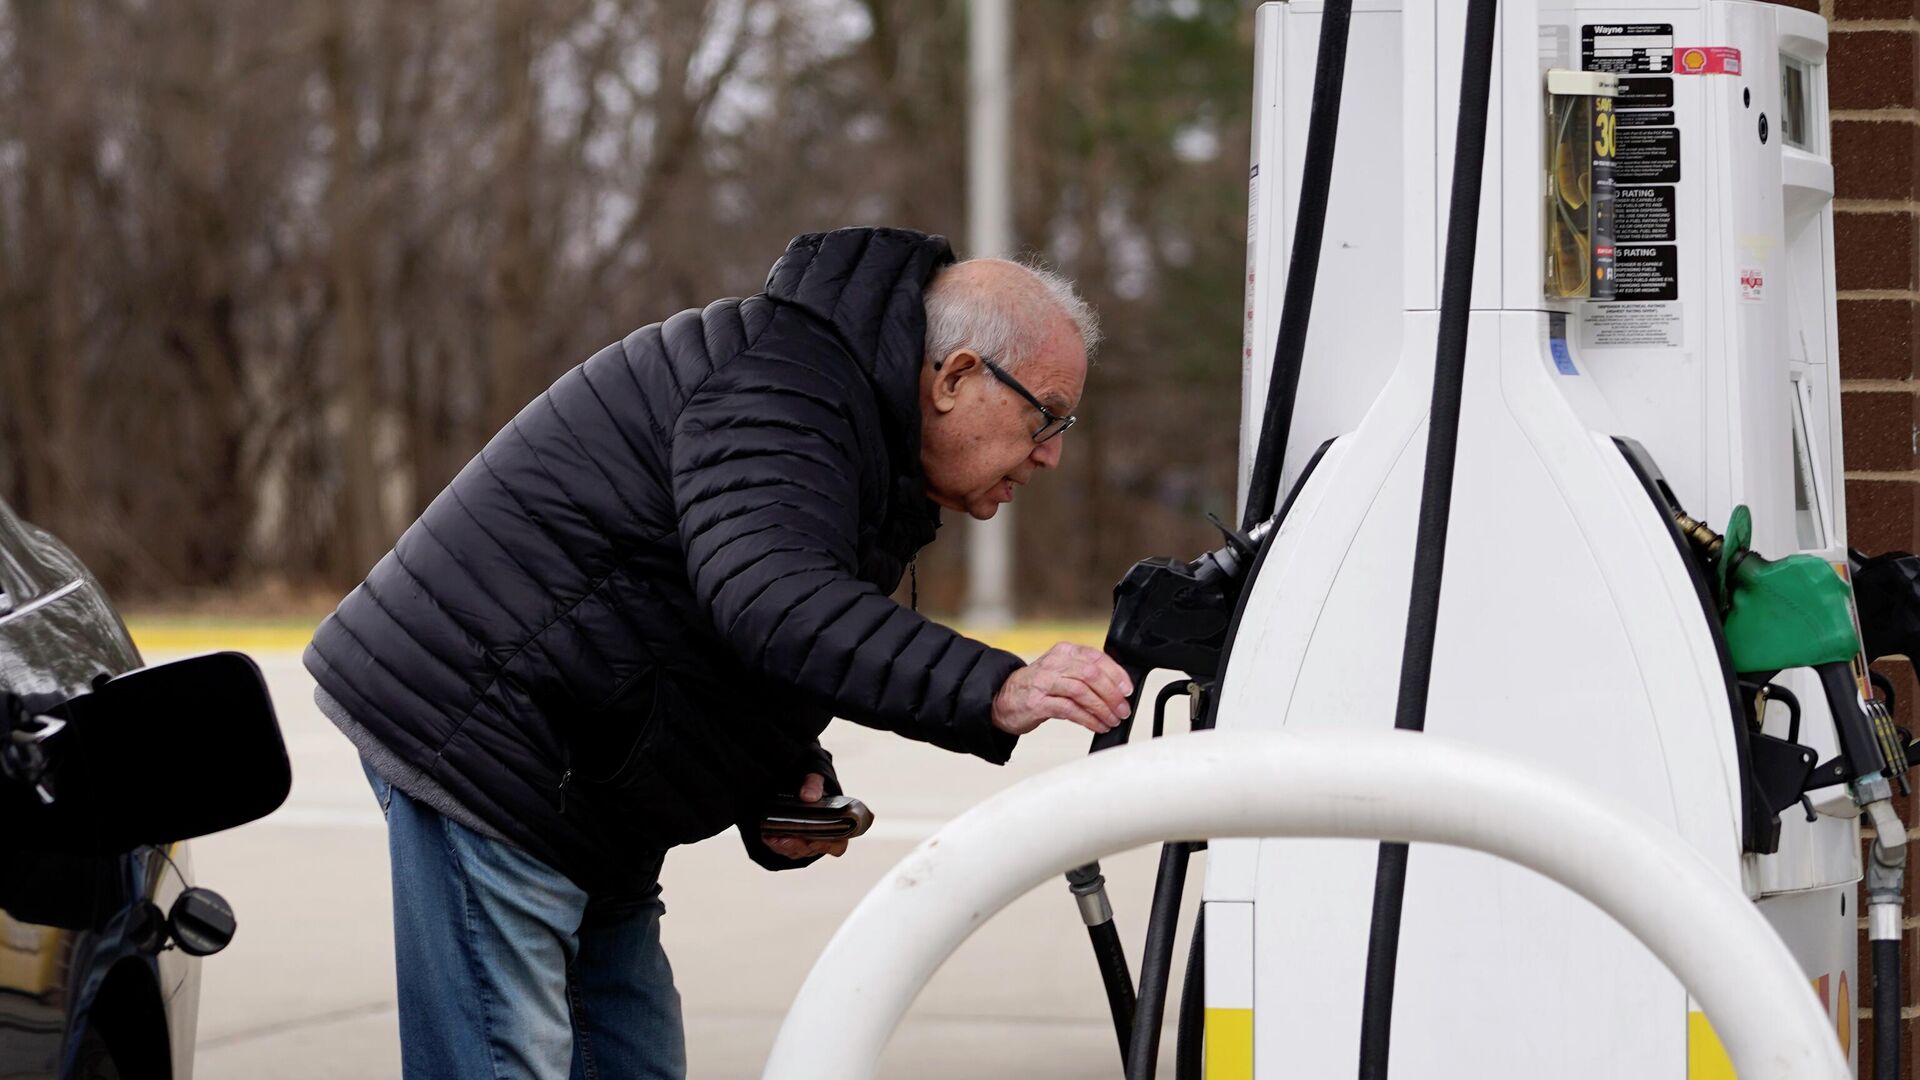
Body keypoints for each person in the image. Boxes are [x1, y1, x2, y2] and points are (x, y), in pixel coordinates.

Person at [304, 225, 1135, 1079]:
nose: (1052, 453)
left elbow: (714, 618)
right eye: (1047, 415)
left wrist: (776, 778)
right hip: (491, 739)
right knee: (504, 1060)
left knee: (635, 1062)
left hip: (585, 780)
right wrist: (995, 686)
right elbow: (771, 598)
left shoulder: (847, 421)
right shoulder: (783, 388)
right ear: (958, 376)